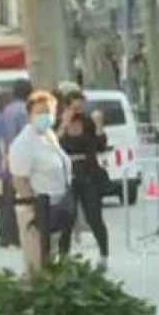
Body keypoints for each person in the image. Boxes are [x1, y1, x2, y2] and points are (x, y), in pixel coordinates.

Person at [9, 89, 75, 271]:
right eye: (40, 112)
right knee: (37, 265)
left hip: (58, 208)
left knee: (56, 263)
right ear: (30, 114)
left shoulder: (49, 136)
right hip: (37, 213)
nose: (45, 116)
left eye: (49, 112)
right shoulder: (24, 143)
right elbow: (19, 180)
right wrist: (36, 210)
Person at [57, 92, 112, 265]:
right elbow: (52, 144)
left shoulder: (88, 123)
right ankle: (64, 256)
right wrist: (64, 124)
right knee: (67, 217)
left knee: (94, 215)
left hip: (88, 173)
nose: (78, 111)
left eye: (81, 107)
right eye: (74, 107)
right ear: (66, 107)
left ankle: (104, 255)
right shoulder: (60, 124)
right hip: (68, 175)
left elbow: (101, 145)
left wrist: (99, 125)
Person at [0, 81, 30, 248]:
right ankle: (20, 234)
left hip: (9, 157)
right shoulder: (25, 110)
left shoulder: (5, 112)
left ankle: (7, 235)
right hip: (23, 157)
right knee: (26, 197)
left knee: (8, 198)